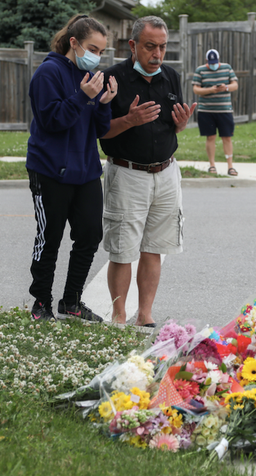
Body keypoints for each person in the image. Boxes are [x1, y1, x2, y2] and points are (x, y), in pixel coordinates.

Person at [100, 16, 196, 328]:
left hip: (166, 173)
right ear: (133, 46)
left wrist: (181, 124)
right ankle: (119, 316)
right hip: (127, 174)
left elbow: (174, 123)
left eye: (162, 47)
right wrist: (129, 120)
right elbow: (100, 133)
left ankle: (145, 314)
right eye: (150, 46)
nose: (157, 54)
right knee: (123, 250)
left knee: (154, 248)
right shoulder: (113, 78)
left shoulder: (170, 76)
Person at [25, 14, 117, 322]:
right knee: (49, 237)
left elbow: (99, 130)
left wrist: (104, 102)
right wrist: (83, 96)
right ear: (74, 43)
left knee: (90, 234)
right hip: (50, 169)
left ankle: (72, 301)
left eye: (102, 51)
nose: (97, 56)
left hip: (86, 169)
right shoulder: (47, 74)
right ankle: (41, 303)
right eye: (93, 48)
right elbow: (52, 121)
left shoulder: (91, 79)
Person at [192, 49, 239, 176]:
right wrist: (210, 90)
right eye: (211, 62)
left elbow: (235, 85)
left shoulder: (227, 68)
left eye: (215, 62)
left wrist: (226, 88)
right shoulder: (200, 70)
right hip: (206, 110)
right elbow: (196, 89)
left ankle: (230, 166)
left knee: (227, 137)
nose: (213, 64)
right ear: (207, 61)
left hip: (224, 110)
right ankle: (212, 165)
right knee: (210, 137)